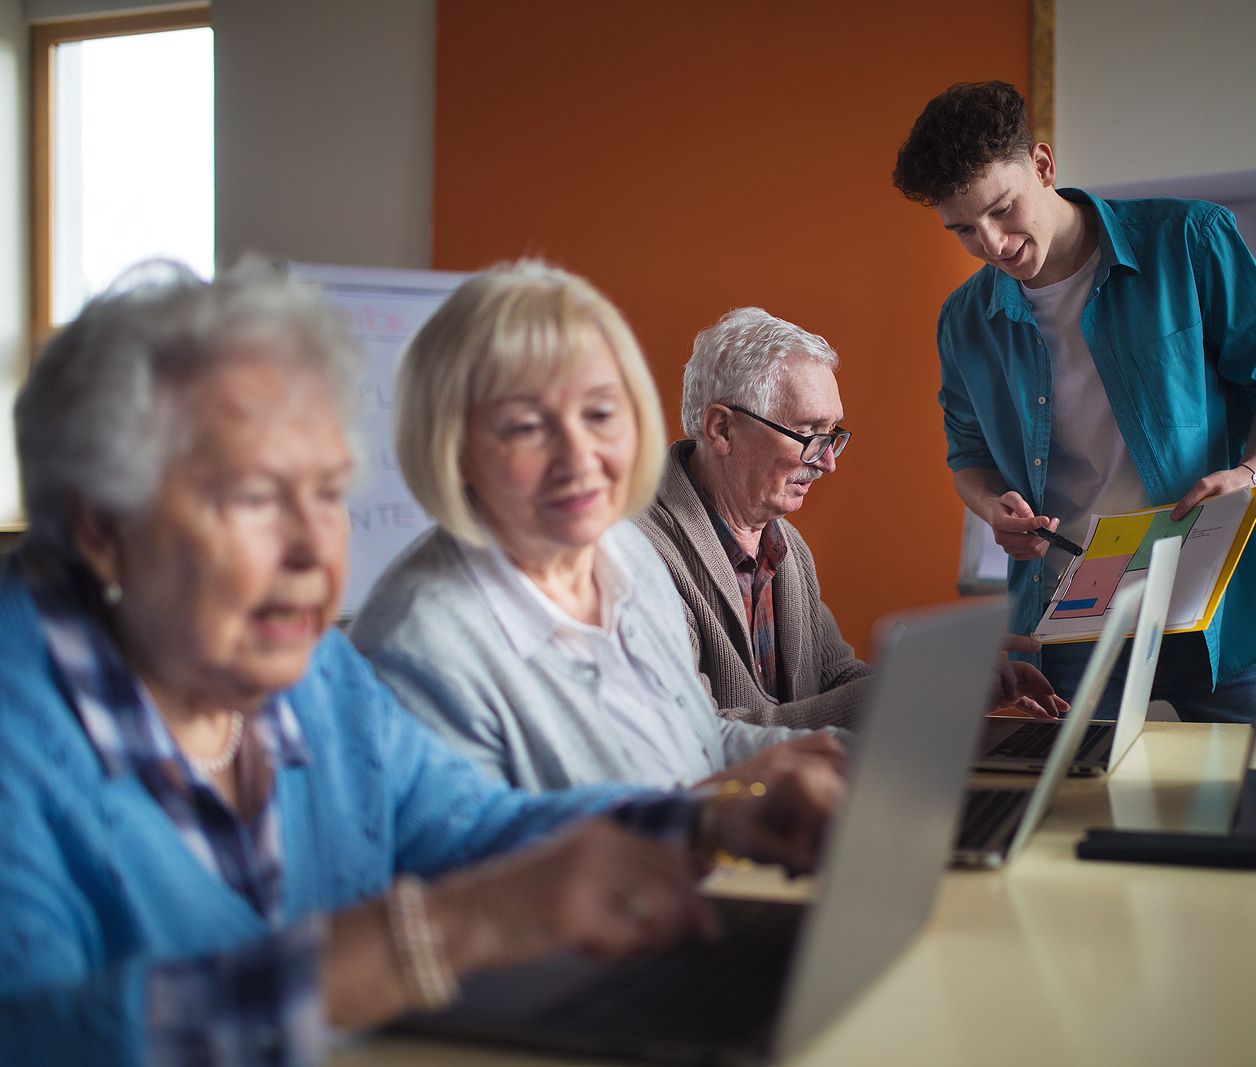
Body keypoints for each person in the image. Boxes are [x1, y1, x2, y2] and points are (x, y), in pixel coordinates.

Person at [0, 261, 833, 1062]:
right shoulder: (22, 738)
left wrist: (714, 820)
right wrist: (426, 939)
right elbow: (30, 1035)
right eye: (254, 497)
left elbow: (470, 825)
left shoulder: (316, 680)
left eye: (327, 494)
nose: (312, 550)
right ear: (103, 527)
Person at [892, 81, 1256, 724]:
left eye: (1003, 210)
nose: (993, 245)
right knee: (1077, 810)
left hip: (1217, 596)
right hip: (1075, 606)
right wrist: (991, 509)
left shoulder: (1190, 239)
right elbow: (969, 457)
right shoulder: (964, 321)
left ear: (1042, 165)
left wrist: (1249, 472)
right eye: (963, 231)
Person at [349, 263, 847, 794]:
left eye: (601, 413)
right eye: (526, 427)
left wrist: (840, 758)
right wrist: (704, 819)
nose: (579, 457)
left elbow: (697, 742)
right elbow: (488, 860)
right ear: (454, 449)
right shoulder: (420, 640)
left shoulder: (623, 555)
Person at [637, 306, 1067, 730]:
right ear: (722, 430)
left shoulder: (785, 546)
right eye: (808, 435)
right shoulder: (635, 558)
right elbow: (692, 739)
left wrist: (948, 685)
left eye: (832, 436)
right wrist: (907, 690)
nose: (828, 463)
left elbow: (837, 679)